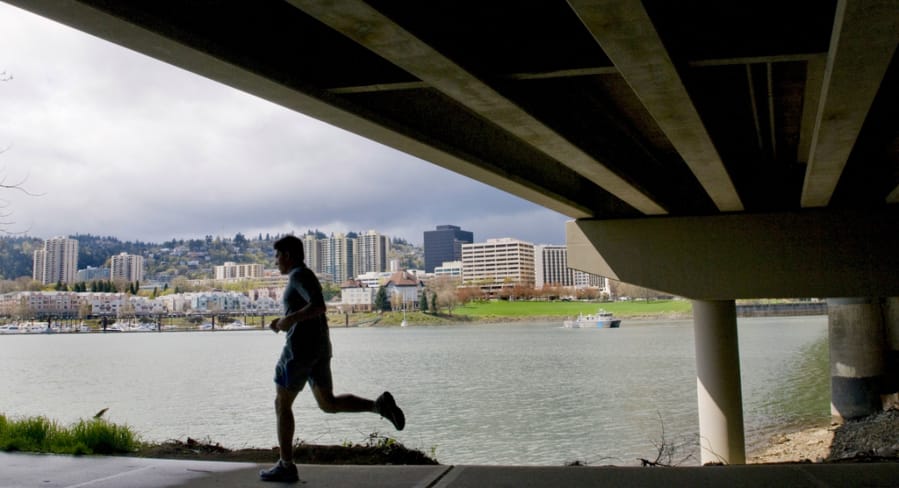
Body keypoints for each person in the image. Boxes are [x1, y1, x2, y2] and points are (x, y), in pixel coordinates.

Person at [259, 235, 405, 483]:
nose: (275, 262)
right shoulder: (303, 276)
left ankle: (286, 465)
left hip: (299, 351)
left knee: (281, 404)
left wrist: (288, 321)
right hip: (319, 348)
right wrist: (284, 321)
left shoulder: (298, 276)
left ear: (289, 255)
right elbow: (311, 308)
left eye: (277, 256)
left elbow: (318, 306)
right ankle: (378, 406)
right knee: (328, 403)